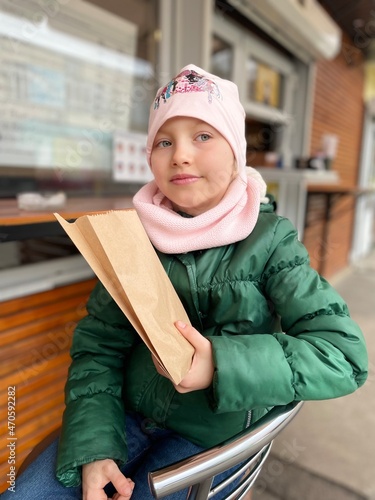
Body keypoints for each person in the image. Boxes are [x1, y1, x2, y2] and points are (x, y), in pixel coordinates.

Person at [3, 64, 368, 500]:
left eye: (203, 136)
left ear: (236, 152)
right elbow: (98, 348)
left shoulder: (272, 242)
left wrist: (220, 363)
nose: (179, 154)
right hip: (122, 417)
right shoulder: (129, 237)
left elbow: (344, 357)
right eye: (164, 140)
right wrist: (94, 447)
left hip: (210, 441)